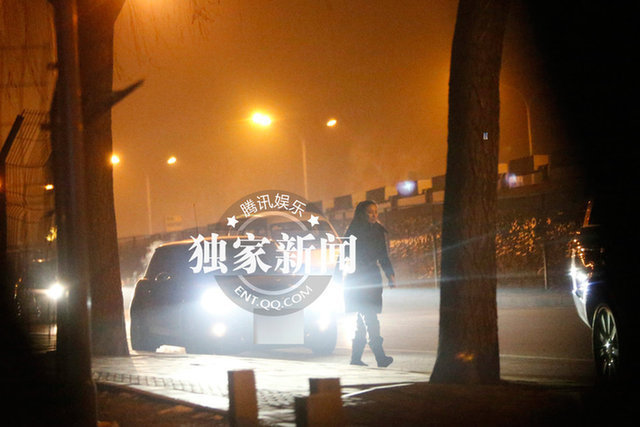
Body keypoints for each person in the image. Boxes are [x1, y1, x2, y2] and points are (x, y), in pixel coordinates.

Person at [343, 200, 396, 367]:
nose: (374, 215)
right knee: (370, 316)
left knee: (363, 317)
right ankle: (380, 356)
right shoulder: (352, 233)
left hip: (372, 278)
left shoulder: (378, 231)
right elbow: (343, 257)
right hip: (358, 279)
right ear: (361, 214)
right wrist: (338, 277)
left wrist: (390, 274)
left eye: (375, 212)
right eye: (370, 212)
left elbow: (383, 255)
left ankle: (356, 357)